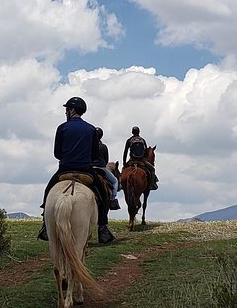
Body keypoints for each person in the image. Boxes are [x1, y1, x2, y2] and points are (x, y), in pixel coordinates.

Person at [37, 97, 115, 244]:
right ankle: (103, 228)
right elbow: (94, 155)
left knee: (48, 191)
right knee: (103, 193)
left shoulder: (62, 127)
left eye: (67, 109)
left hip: (64, 170)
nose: (66, 112)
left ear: (72, 110)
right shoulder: (91, 129)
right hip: (86, 170)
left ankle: (45, 226)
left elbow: (57, 153)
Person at [122, 126, 158, 190]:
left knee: (123, 170)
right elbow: (146, 152)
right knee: (152, 169)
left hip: (132, 160)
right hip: (141, 160)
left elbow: (125, 152)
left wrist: (124, 163)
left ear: (132, 132)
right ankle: (152, 185)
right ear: (139, 132)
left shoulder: (129, 140)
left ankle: (121, 184)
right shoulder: (142, 140)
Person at [93, 127, 120, 210]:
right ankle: (112, 200)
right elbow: (106, 160)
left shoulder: (88, 145)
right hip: (101, 168)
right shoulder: (104, 146)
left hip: (90, 168)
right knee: (115, 181)